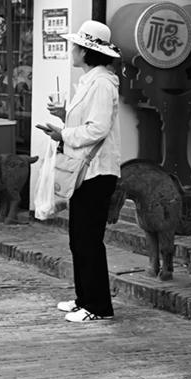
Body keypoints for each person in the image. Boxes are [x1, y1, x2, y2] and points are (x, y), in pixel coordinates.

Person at [37, 20, 121, 323]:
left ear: (85, 51)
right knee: (79, 238)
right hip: (87, 170)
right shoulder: (91, 81)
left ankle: (98, 306)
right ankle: (85, 297)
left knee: (88, 239)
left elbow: (98, 128)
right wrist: (65, 116)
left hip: (97, 171)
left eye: (75, 46)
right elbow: (89, 122)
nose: (71, 50)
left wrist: (63, 134)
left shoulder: (101, 84)